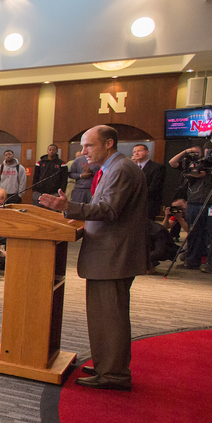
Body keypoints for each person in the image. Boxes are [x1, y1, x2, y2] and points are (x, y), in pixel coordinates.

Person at [39, 125, 149, 391]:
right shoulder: (113, 167)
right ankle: (106, 364)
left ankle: (114, 374)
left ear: (109, 143)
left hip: (113, 255)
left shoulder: (121, 169)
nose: (83, 151)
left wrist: (68, 207)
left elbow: (109, 210)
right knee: (104, 316)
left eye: (89, 145)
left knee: (111, 316)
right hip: (109, 254)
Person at [132, 144, 164, 220]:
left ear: (147, 152)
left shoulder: (157, 167)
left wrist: (136, 194)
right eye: (134, 152)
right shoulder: (132, 168)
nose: (136, 153)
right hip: (133, 205)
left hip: (149, 204)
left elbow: (155, 187)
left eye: (139, 151)